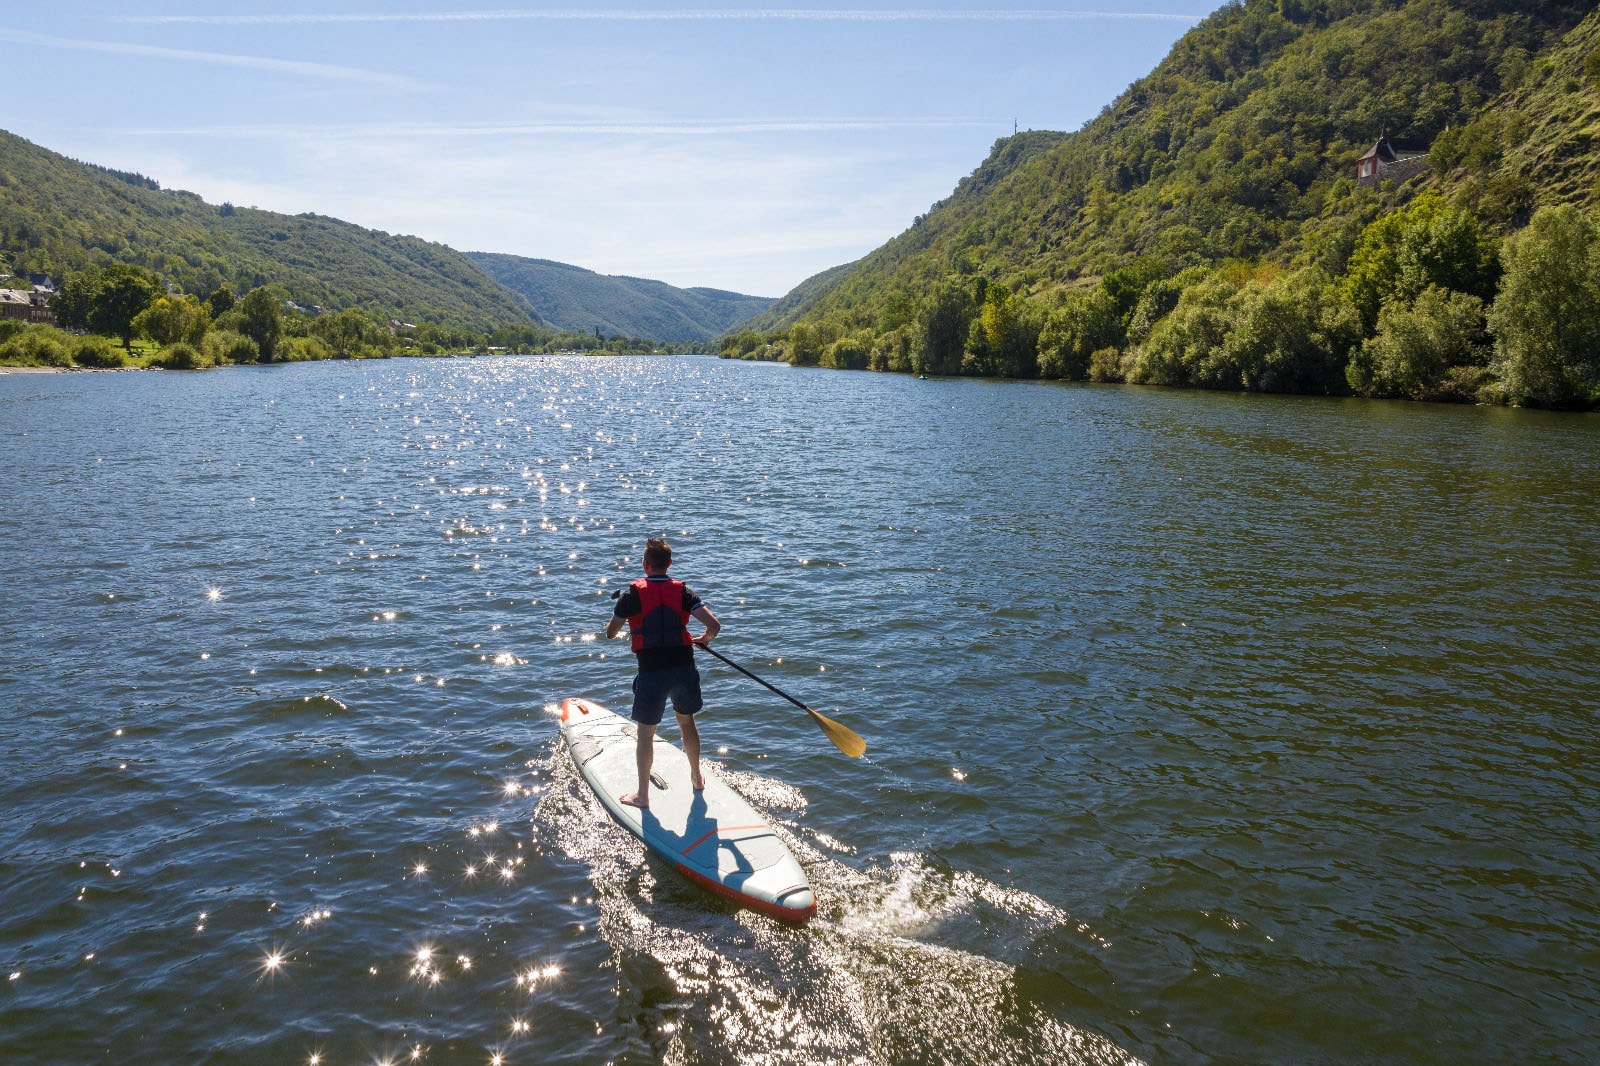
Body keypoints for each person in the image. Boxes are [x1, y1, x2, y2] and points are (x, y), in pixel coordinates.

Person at [604, 537, 720, 808]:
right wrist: (703, 639)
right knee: (686, 722)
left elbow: (611, 633)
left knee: (645, 733)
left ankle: (643, 796)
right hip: (683, 668)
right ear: (668, 564)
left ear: (645, 565)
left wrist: (618, 626)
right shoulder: (683, 592)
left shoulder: (631, 596)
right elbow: (714, 625)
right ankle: (697, 778)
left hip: (652, 672)